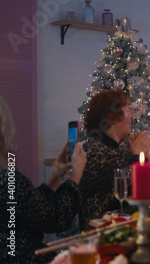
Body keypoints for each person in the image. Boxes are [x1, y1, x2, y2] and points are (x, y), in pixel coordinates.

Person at [0, 97, 87, 263]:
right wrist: (76, 174)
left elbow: (32, 207)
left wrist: (55, 176)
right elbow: (55, 218)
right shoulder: (6, 179)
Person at [79, 90, 150, 230]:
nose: (132, 116)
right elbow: (129, 199)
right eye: (128, 111)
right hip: (104, 233)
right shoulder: (92, 153)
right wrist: (138, 157)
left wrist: (148, 157)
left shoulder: (124, 147)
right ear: (113, 117)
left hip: (134, 228)